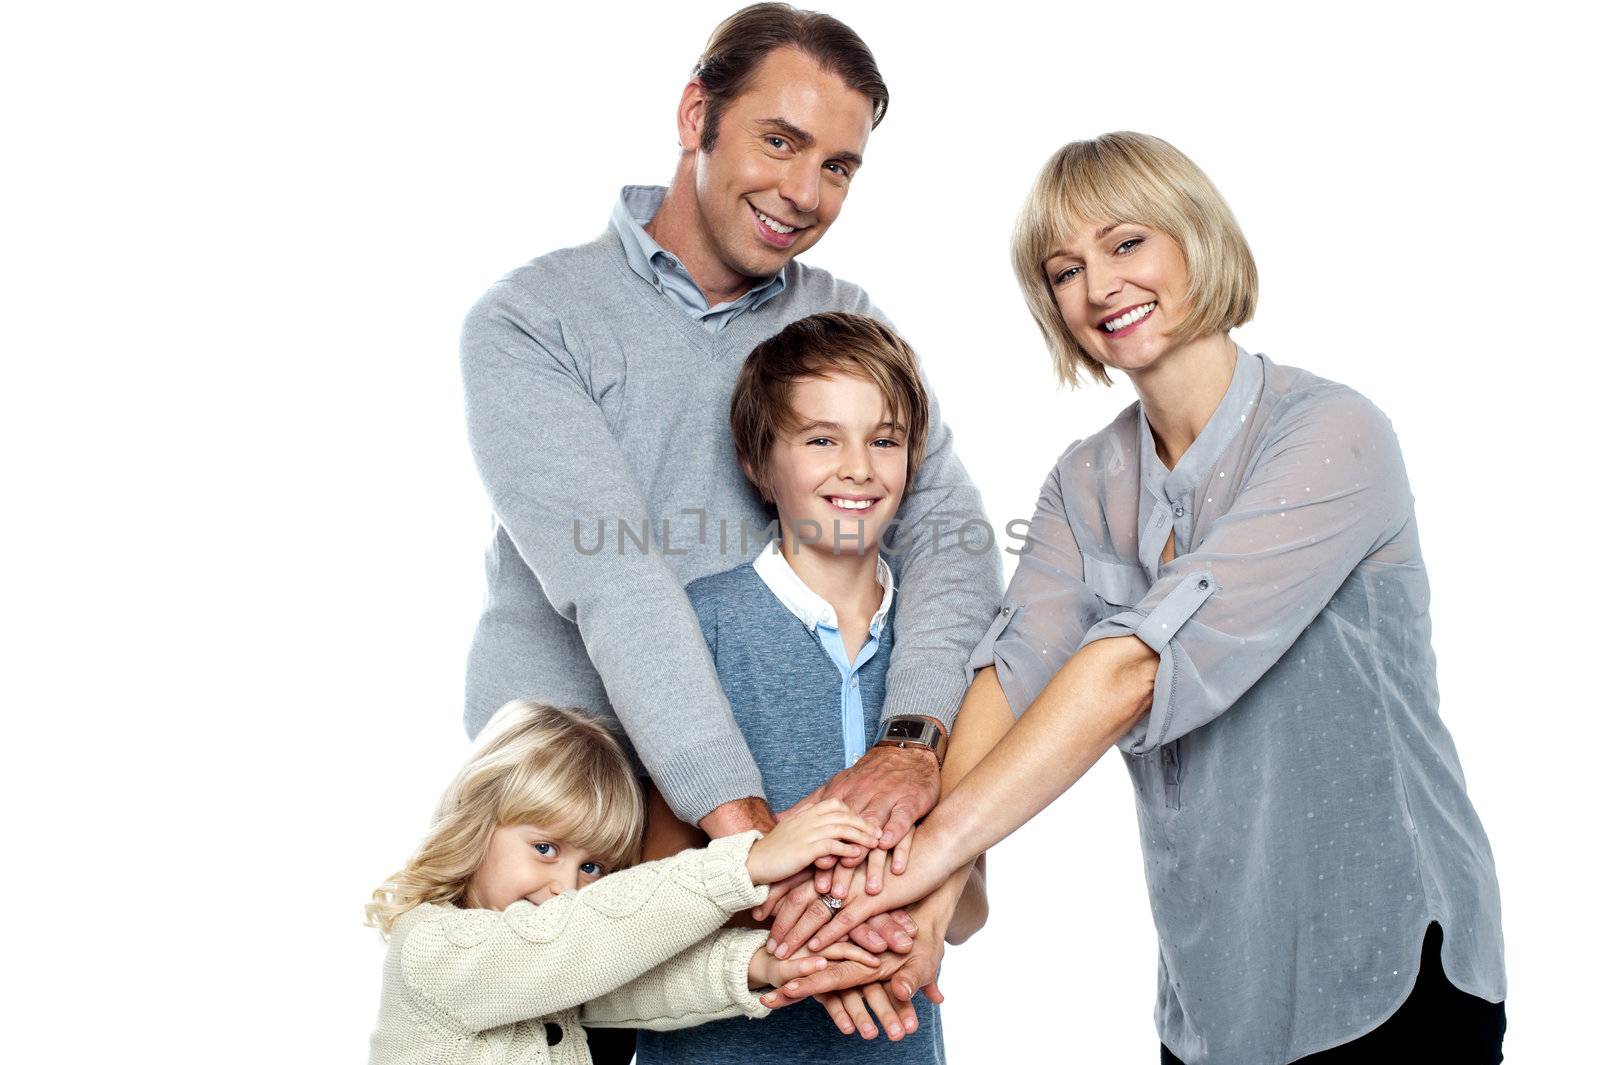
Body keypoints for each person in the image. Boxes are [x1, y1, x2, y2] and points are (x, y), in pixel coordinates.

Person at [786, 133, 1507, 1064]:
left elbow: (1131, 666)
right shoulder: (1084, 481)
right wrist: (926, 902)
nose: (1099, 287)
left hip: (1385, 970)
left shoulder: (1334, 433)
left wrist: (927, 857)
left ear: (1195, 238)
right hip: (1212, 994)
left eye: (1127, 244)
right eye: (1065, 269)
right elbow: (1010, 677)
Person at [458, 0, 998, 879]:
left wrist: (910, 742)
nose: (804, 193)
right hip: (563, 817)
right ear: (694, 116)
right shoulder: (533, 321)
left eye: (839, 167)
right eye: (779, 142)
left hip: (792, 809)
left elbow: (951, 541)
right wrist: (739, 831)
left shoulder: (845, 321)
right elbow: (615, 577)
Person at [637, 312, 992, 1064]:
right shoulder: (698, 628)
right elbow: (649, 893)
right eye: (821, 438)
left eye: (884, 439)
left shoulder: (942, 662)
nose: (858, 467)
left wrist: (884, 906)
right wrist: (821, 934)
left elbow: (967, 913)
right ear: (757, 463)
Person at [365, 699, 891, 1065]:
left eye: (592, 868)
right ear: (475, 823)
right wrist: (745, 864)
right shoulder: (430, 949)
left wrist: (763, 964)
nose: (566, 887)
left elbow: (640, 984)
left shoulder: (563, 975)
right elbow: (570, 939)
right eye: (545, 848)